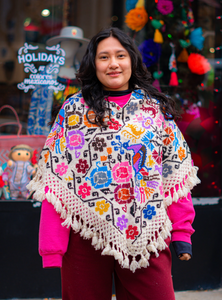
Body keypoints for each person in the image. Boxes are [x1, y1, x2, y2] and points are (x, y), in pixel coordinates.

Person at [28, 27, 200, 300]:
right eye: (104, 57)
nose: (113, 64)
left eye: (120, 55)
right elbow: (55, 182)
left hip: (147, 234)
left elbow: (173, 172)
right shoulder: (73, 110)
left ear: (131, 59)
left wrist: (181, 232)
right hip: (85, 234)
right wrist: (52, 247)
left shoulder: (154, 109)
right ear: (93, 64)